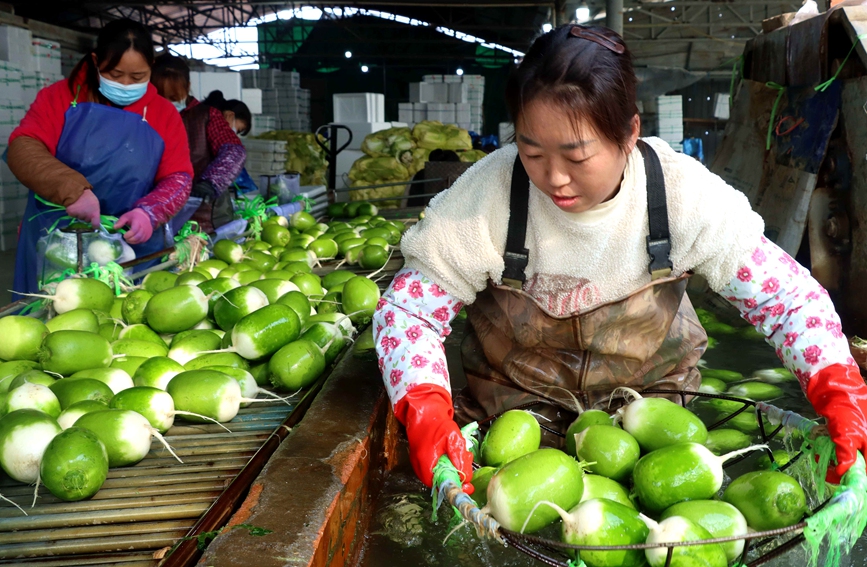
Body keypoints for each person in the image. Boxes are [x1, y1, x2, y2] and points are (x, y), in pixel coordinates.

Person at [373, 24, 867, 495]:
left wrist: (837, 386)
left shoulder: (681, 195)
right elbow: (410, 311)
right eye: (532, 151)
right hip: (515, 412)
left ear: (629, 133)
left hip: (652, 415)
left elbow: (784, 301)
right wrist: (425, 406)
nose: (554, 178)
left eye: (576, 155)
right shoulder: (489, 194)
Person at [8, 18, 193, 295]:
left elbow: (178, 177)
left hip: (129, 247)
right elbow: (23, 148)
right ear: (96, 61)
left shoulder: (164, 114)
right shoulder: (59, 97)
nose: (126, 84)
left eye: (138, 77)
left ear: (151, 68)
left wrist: (150, 211)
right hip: (59, 242)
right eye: (115, 75)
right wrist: (71, 189)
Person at [150, 56, 246, 233]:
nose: (168, 104)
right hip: (156, 220)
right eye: (161, 97)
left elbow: (233, 150)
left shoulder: (207, 116)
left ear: (187, 87)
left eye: (173, 97)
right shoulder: (145, 117)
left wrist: (211, 182)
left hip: (204, 219)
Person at [201, 91, 258, 195]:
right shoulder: (216, 126)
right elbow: (235, 154)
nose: (235, 133)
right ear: (230, 116)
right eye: (238, 129)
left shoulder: (202, 117)